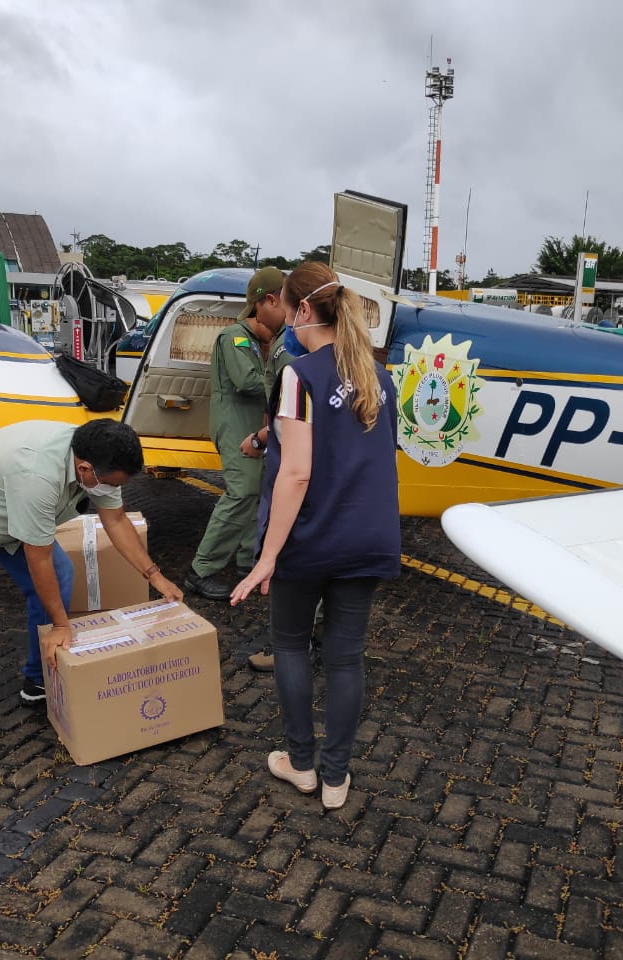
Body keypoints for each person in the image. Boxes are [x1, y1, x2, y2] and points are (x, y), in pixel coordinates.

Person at [0, 418, 183, 763]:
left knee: (62, 577)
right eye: (109, 484)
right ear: (84, 468)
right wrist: (61, 625)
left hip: (5, 516)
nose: (110, 491)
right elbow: (39, 560)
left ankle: (38, 682)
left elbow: (115, 521)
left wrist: (155, 577)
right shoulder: (37, 474)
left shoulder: (100, 458)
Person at [231, 262, 401, 810]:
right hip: (368, 538)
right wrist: (268, 435)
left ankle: (301, 764)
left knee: (290, 646)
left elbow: (298, 472)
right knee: (346, 659)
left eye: (285, 306)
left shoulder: (298, 375)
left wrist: (267, 557)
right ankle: (336, 777)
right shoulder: (382, 378)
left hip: (310, 539)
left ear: (302, 310)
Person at [185, 266, 285, 601]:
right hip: (235, 424)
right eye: (283, 303)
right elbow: (247, 382)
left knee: (255, 492)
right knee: (241, 493)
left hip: (250, 422)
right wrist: (287, 381)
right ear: (264, 303)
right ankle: (201, 571)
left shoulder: (257, 341)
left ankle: (247, 562)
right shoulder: (235, 337)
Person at [241, 290, 296, 672]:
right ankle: (316, 629)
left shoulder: (289, 351)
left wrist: (260, 439)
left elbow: (284, 416)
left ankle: (288, 644)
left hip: (289, 464)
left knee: (285, 555)